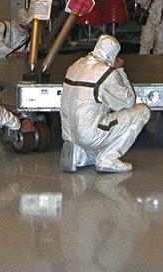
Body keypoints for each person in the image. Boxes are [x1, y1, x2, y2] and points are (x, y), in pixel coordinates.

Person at [60, 34, 150, 173]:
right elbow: (128, 102)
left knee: (93, 105)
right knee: (142, 111)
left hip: (68, 132)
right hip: (89, 134)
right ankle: (108, 159)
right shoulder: (105, 73)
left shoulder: (75, 66)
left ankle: (80, 154)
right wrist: (119, 70)